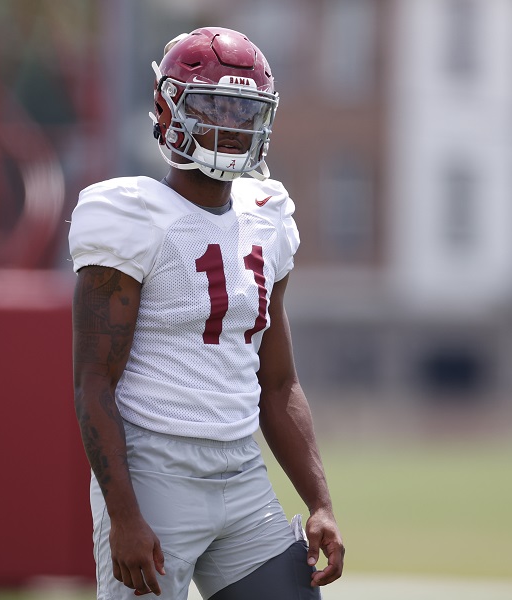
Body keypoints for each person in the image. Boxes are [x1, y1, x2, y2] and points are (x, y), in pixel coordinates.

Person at [69, 26, 345, 599]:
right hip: (154, 473)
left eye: (243, 110)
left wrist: (319, 500)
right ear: (169, 111)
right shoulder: (131, 216)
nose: (229, 124)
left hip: (241, 472)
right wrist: (123, 515)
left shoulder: (266, 218)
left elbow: (278, 380)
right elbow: (94, 381)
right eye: (213, 105)